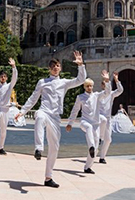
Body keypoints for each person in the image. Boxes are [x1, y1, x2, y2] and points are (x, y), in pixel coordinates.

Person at [15, 51, 86, 188]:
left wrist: (81, 65)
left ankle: (48, 178)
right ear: (49, 68)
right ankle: (38, 148)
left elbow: (80, 80)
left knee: (54, 148)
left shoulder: (64, 83)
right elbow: (33, 98)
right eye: (53, 66)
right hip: (44, 111)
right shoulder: (42, 82)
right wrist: (22, 111)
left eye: (57, 65)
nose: (55, 68)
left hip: (55, 117)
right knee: (39, 116)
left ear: (60, 68)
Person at [66, 78, 104, 174]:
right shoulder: (80, 97)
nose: (89, 88)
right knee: (89, 128)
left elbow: (107, 93)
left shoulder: (97, 96)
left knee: (96, 148)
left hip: (95, 124)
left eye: (90, 86)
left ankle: (87, 167)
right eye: (87, 86)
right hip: (85, 122)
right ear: (84, 87)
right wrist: (70, 123)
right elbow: (75, 110)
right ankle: (91, 146)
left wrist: (107, 81)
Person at [97, 70, 123, 164]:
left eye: (107, 83)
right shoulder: (98, 95)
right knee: (96, 137)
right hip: (99, 118)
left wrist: (116, 80)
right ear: (102, 85)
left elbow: (120, 90)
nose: (106, 85)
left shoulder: (111, 94)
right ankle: (99, 138)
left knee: (108, 139)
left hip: (108, 118)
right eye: (104, 83)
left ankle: (102, 157)